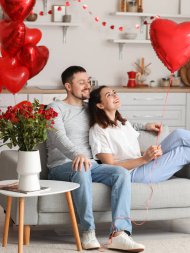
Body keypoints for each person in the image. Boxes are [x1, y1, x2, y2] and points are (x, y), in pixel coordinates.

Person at [46, 66, 145, 252]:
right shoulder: (55, 108)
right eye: (81, 82)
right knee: (82, 168)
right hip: (62, 166)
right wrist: (77, 154)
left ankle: (120, 233)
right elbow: (57, 137)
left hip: (91, 165)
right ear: (68, 86)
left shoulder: (89, 108)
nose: (87, 86)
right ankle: (87, 231)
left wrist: (146, 125)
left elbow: (114, 119)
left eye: (88, 81)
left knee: (120, 172)